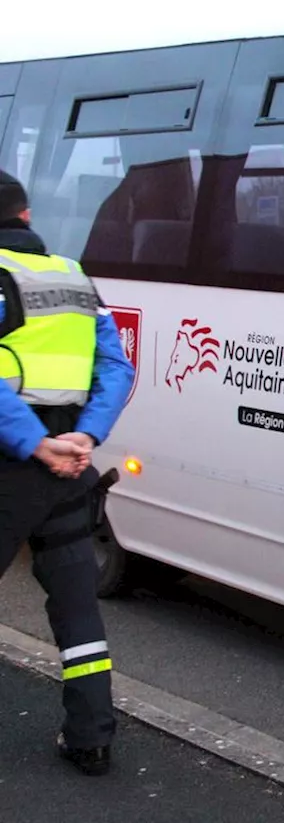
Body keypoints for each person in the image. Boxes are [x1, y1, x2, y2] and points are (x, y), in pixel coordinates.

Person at [0, 169, 135, 775]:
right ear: (26, 216)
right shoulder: (73, 277)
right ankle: (91, 738)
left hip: (12, 464)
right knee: (78, 610)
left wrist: (33, 443)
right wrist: (84, 435)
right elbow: (117, 368)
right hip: (69, 468)